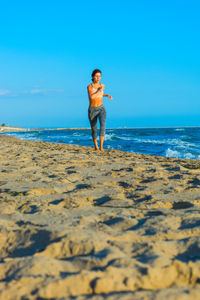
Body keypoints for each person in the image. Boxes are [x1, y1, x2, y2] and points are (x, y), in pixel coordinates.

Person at [87, 69, 113, 151]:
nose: (98, 78)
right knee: (94, 129)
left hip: (101, 108)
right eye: (96, 76)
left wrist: (106, 95)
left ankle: (101, 147)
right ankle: (96, 146)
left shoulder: (102, 85)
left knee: (103, 126)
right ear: (93, 76)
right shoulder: (89, 87)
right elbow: (92, 97)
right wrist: (100, 90)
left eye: (100, 76)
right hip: (92, 109)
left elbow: (100, 94)